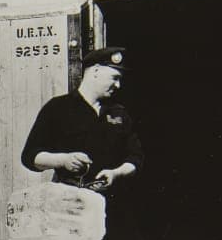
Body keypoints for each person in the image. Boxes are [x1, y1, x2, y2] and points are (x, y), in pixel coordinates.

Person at [20, 47, 143, 196]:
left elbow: (135, 157)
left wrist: (116, 173)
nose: (118, 85)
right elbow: (29, 156)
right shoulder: (58, 108)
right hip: (70, 203)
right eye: (114, 78)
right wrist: (63, 160)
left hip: (112, 204)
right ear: (96, 71)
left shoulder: (120, 113)